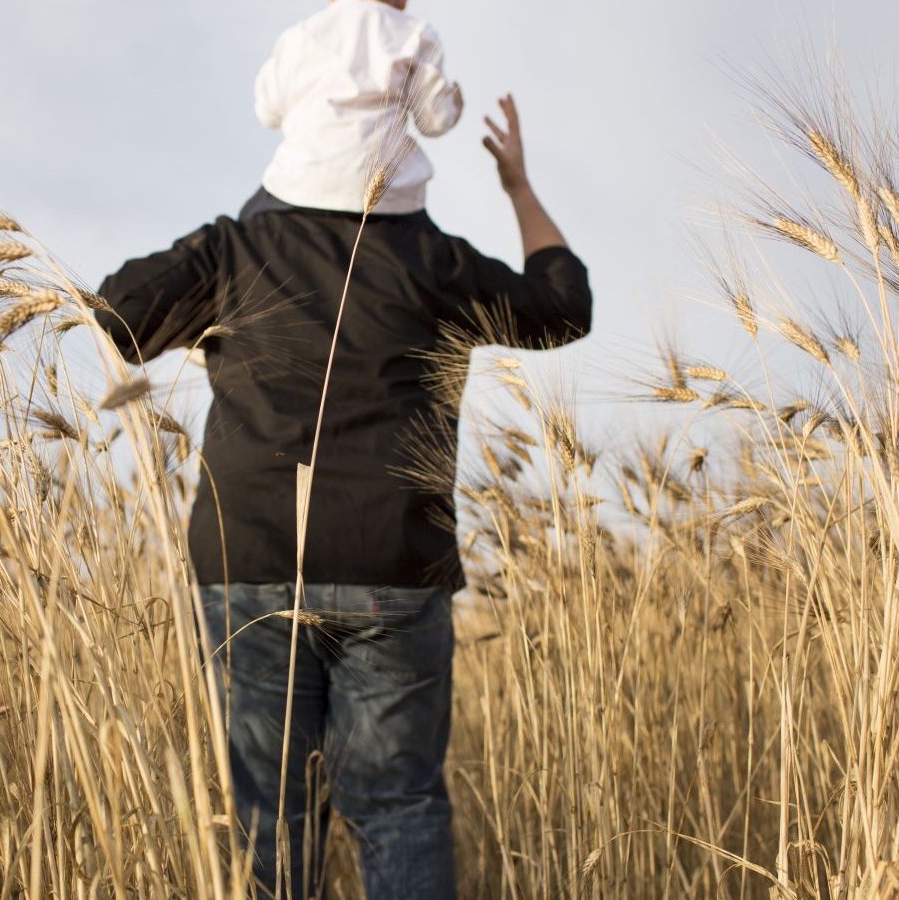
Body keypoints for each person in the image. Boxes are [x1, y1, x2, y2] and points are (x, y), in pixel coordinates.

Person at [96, 95, 591, 899]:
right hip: (392, 562)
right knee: (397, 809)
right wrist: (518, 189)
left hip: (251, 560)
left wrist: (251, 223)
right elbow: (564, 308)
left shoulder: (238, 247)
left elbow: (117, 314)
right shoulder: (432, 259)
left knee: (269, 820)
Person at [252, 0, 463, 216]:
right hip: (388, 206)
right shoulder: (416, 33)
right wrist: (454, 99)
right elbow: (435, 120)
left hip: (295, 190)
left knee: (243, 231)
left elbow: (268, 113)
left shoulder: (300, 35)